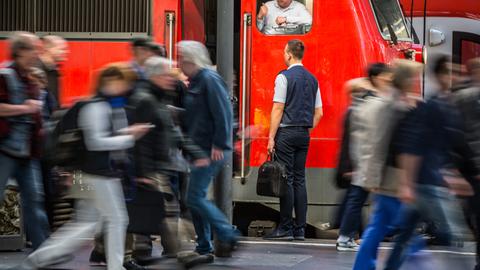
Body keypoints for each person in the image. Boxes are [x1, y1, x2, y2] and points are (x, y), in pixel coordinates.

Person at [6, 63, 151, 270]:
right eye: (124, 82)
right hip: (98, 175)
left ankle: (37, 260)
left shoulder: (105, 105)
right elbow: (96, 143)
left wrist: (125, 134)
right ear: (112, 81)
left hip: (89, 174)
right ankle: (115, 267)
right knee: (117, 219)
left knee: (85, 224)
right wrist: (129, 138)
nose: (127, 87)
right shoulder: (97, 106)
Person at [352, 60, 423, 270]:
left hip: (392, 180)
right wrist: (372, 179)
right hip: (392, 180)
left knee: (379, 226)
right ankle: (420, 262)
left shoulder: (400, 103)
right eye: (414, 77)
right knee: (405, 226)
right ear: (407, 80)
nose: (417, 81)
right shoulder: (391, 106)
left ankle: (364, 266)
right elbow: (379, 143)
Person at [176, 40, 238, 262]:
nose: (179, 63)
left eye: (181, 58)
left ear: (190, 60)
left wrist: (219, 144)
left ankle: (227, 233)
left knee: (194, 197)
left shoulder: (208, 80)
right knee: (195, 198)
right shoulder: (195, 81)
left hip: (210, 151)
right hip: (198, 150)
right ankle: (204, 245)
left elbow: (223, 113)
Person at [264, 39, 323, 241]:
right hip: (303, 134)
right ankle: (300, 230)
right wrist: (304, 127)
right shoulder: (313, 79)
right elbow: (319, 113)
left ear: (289, 54)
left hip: (286, 134)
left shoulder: (284, 77)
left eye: (284, 52)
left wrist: (271, 137)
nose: (283, 55)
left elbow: (278, 108)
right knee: (299, 180)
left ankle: (285, 228)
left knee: (286, 179)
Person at [0, 32, 49, 250]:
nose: (36, 54)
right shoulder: (4, 76)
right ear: (19, 51)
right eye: (32, 49)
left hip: (27, 152)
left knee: (34, 201)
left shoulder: (30, 78)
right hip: (4, 149)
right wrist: (26, 108)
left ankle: (43, 252)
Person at [336, 63, 392, 251]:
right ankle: (346, 237)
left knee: (356, 199)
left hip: (364, 162)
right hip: (365, 162)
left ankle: (347, 236)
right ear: (375, 79)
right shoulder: (370, 104)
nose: (388, 81)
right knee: (356, 199)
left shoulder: (364, 103)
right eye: (385, 77)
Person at [37, 35, 68, 110]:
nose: (66, 52)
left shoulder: (54, 70)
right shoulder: (36, 70)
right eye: (62, 49)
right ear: (48, 49)